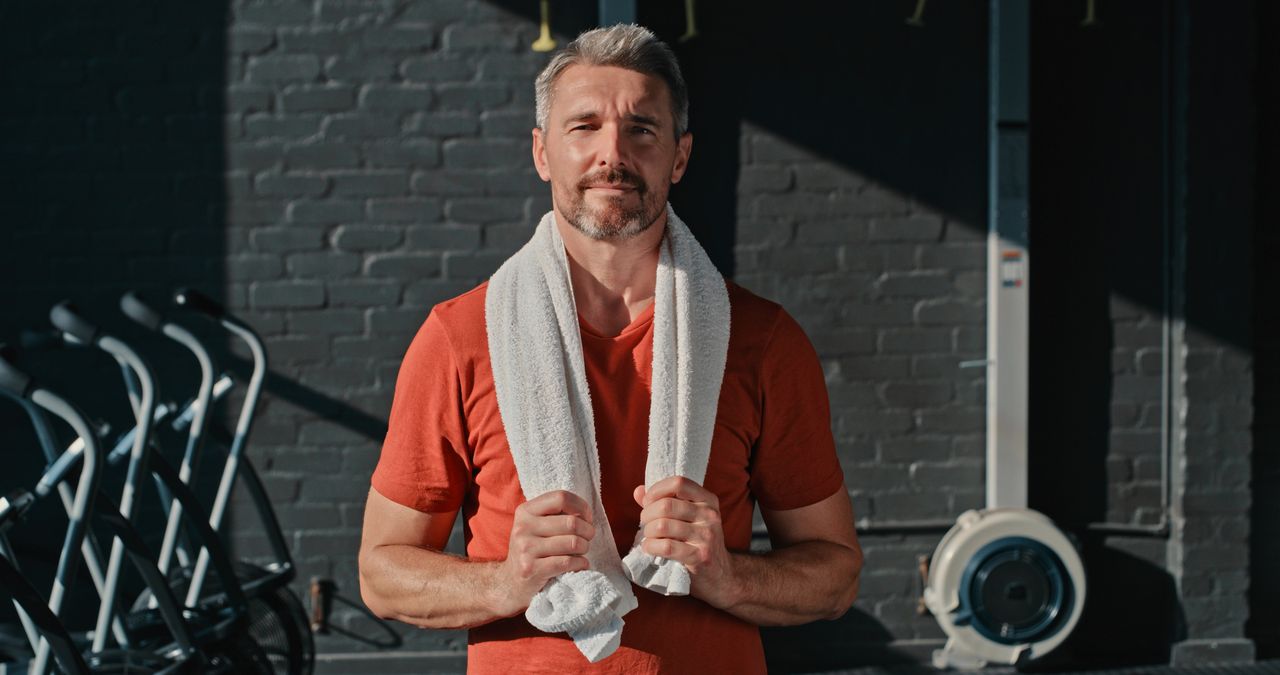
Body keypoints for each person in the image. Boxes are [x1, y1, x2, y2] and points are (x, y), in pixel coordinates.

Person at [359, 24, 862, 674]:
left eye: (642, 129)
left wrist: (728, 576)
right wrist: (506, 580)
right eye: (584, 126)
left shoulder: (762, 340)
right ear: (542, 152)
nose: (612, 153)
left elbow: (836, 572)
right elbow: (381, 572)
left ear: (679, 157)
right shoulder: (459, 338)